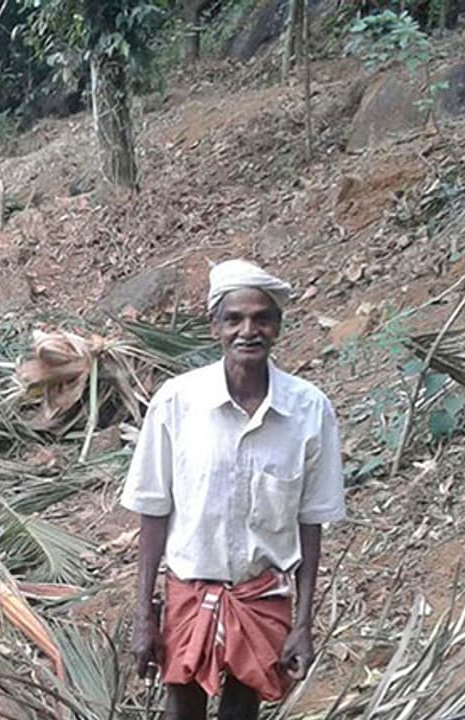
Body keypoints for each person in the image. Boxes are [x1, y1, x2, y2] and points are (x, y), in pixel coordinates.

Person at [121, 259, 346, 720]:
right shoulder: (177, 403)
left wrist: (303, 624)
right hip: (188, 591)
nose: (249, 330)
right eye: (234, 319)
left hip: (261, 597)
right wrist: (144, 614)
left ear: (278, 328)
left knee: (243, 710)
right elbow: (152, 512)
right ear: (214, 327)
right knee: (182, 708)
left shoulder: (308, 411)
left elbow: (311, 523)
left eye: (262, 318)